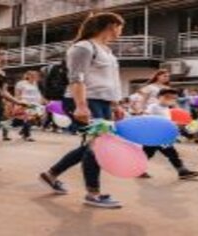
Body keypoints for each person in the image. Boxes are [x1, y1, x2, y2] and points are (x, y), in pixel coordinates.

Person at [39, 12, 124, 208]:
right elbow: (77, 79)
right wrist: (81, 106)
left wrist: (116, 104)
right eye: (120, 26)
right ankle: (93, 194)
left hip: (102, 102)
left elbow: (110, 82)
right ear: (112, 25)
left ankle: (51, 175)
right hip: (84, 101)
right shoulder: (83, 47)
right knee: (96, 147)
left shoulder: (107, 51)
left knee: (93, 145)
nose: (121, 31)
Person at [141, 89, 198, 180]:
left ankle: (183, 172)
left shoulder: (168, 109)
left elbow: (167, 121)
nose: (170, 100)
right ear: (158, 97)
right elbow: (146, 117)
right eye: (167, 97)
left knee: (171, 153)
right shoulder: (153, 106)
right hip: (153, 135)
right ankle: (138, 169)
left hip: (163, 136)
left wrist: (175, 124)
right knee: (148, 154)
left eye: (173, 98)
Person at [14, 71, 43, 141]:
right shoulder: (21, 83)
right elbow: (17, 94)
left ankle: (23, 130)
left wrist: (41, 101)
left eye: (36, 76)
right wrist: (18, 103)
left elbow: (38, 93)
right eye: (33, 76)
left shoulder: (36, 84)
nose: (34, 77)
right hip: (25, 103)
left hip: (35, 103)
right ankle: (27, 135)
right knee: (28, 119)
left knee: (34, 118)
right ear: (28, 76)